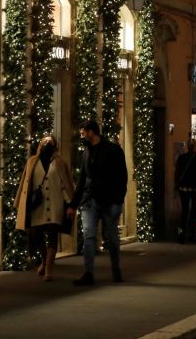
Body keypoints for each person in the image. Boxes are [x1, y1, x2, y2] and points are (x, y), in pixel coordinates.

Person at [71, 120, 128, 286]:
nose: (82, 136)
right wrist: (74, 204)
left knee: (111, 237)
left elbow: (121, 176)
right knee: (88, 235)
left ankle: (116, 270)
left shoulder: (113, 150)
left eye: (83, 133)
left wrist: (118, 200)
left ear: (91, 132)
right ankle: (88, 273)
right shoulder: (86, 153)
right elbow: (82, 179)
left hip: (110, 201)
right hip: (90, 201)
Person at [14, 134, 74, 282]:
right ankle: (45, 259)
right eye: (44, 141)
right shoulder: (32, 161)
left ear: (55, 145)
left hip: (55, 203)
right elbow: (25, 184)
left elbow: (65, 184)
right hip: (37, 205)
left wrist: (70, 204)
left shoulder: (60, 162)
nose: (47, 143)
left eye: (50, 141)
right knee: (35, 234)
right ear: (40, 144)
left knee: (53, 235)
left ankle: (49, 268)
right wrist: (20, 203)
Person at [175, 139, 196, 244]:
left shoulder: (181, 158)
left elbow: (177, 173)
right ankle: (191, 235)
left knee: (184, 212)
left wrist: (177, 185)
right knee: (193, 212)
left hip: (182, 189)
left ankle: (181, 235)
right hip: (194, 190)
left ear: (187, 146)